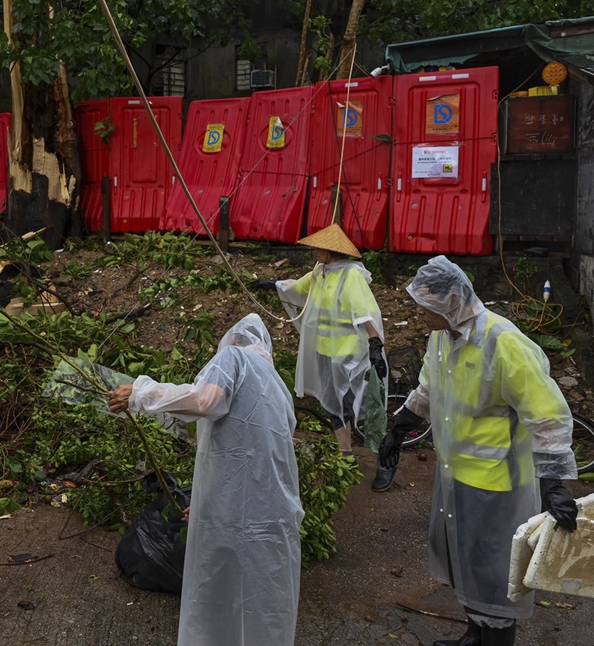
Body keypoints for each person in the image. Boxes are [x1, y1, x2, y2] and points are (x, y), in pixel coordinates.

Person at [379, 256, 578, 646]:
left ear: (452, 300)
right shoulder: (441, 337)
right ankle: (475, 631)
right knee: (464, 558)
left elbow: (548, 417)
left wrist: (555, 483)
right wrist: (399, 427)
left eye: (425, 306)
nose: (418, 314)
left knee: (495, 569)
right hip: (455, 474)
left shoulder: (502, 342)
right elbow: (428, 388)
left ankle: (497, 640)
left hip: (498, 483)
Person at [109, 314, 303, 646]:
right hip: (271, 514)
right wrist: (205, 505)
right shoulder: (278, 388)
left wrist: (141, 393)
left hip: (242, 514)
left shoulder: (234, 357)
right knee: (261, 596)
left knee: (220, 590)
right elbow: (250, 459)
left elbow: (202, 401)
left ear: (233, 342)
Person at [255, 223, 392, 489]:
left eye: (319, 247)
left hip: (351, 352)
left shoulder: (350, 275)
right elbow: (299, 288)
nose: (315, 251)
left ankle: (383, 461)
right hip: (324, 349)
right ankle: (346, 453)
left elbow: (363, 311)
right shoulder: (321, 271)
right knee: (333, 403)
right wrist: (273, 285)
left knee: (361, 406)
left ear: (331, 251)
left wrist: (375, 342)